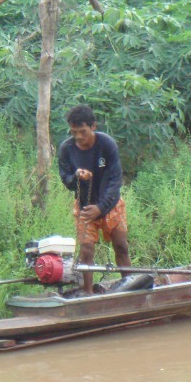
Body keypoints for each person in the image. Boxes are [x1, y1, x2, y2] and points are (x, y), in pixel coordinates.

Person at [57, 105, 131, 294]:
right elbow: (66, 180)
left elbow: (115, 181)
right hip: (85, 207)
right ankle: (88, 294)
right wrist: (76, 177)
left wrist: (101, 207)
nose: (78, 137)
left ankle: (130, 286)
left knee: (121, 247)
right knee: (86, 251)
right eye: (74, 132)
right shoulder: (66, 149)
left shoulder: (106, 145)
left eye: (82, 131)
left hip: (111, 204)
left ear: (93, 126)